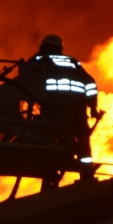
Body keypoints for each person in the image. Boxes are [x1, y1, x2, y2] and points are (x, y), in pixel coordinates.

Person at [19, 34, 102, 182]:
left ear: (42, 46)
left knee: (48, 139)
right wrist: (93, 107)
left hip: (52, 110)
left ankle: (50, 170)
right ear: (60, 48)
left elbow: (23, 84)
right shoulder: (72, 62)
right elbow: (90, 83)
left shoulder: (38, 61)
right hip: (77, 111)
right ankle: (86, 172)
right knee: (82, 139)